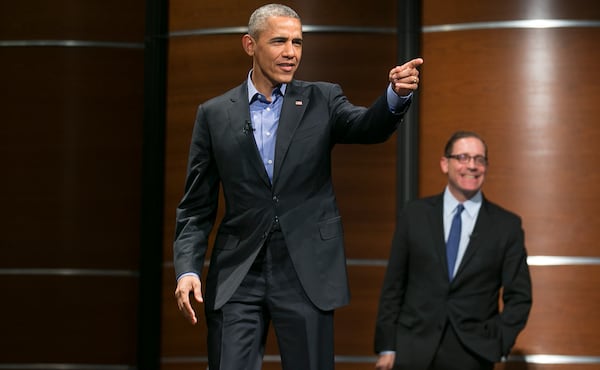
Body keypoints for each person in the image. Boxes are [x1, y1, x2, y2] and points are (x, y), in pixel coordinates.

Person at [172, 3, 423, 370]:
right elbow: (196, 206)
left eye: (298, 43)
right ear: (250, 45)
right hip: (238, 272)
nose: (291, 53)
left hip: (306, 270)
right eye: (279, 41)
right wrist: (188, 269)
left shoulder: (322, 98)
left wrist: (395, 96)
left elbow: (368, 126)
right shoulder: (214, 114)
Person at [374, 130, 533, 370]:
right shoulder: (414, 215)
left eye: (479, 159)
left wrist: (498, 343)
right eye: (463, 157)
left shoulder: (506, 226)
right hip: (411, 350)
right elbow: (393, 286)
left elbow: (520, 297)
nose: (472, 166)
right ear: (444, 163)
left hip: (472, 354)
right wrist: (388, 346)